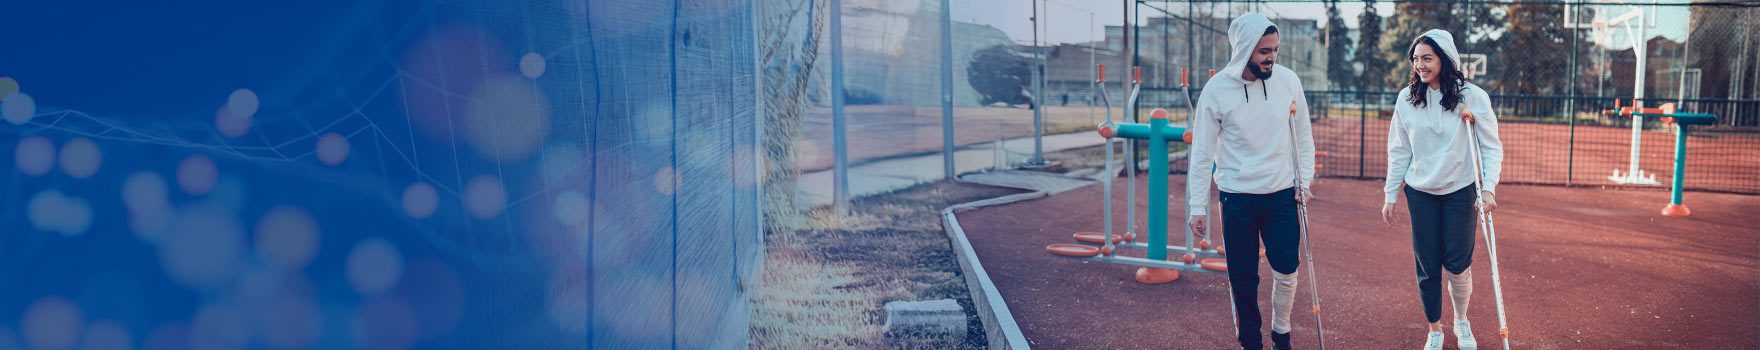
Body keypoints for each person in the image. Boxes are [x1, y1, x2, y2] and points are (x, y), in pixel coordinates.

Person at [1186, 13, 1315, 350]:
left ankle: (1281, 333)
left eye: (1274, 50)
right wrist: (1197, 206)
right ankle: (1250, 342)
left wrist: (1305, 181)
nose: (1271, 57)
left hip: (1282, 194)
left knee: (1287, 269)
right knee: (1243, 278)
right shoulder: (1216, 91)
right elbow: (1201, 153)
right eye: (1263, 51)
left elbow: (1303, 135)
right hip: (1237, 197)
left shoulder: (1288, 81)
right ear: (1244, 49)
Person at [1381, 29, 1503, 350]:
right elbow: (1399, 149)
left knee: (1458, 264)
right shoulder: (1407, 99)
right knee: (1427, 265)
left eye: (1427, 58)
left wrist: (1488, 188)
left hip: (1461, 192)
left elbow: (1491, 148)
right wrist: (1390, 194)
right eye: (1416, 59)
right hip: (1421, 193)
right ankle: (1435, 329)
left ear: (1445, 59)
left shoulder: (1473, 97)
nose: (1420, 65)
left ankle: (1461, 320)